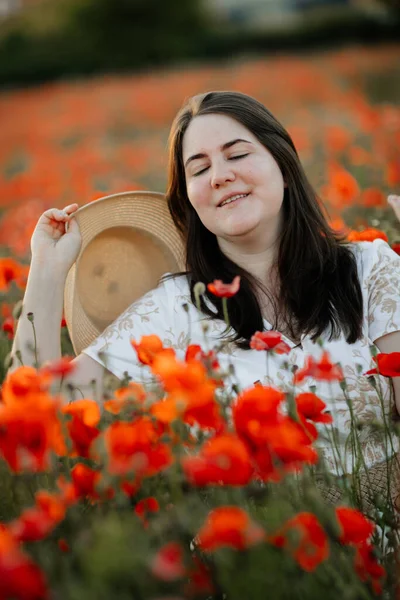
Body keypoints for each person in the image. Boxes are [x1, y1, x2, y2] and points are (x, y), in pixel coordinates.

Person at [8, 91, 400, 483]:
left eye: (237, 154)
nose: (219, 176)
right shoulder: (173, 311)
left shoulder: (369, 270)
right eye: (198, 169)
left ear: (282, 163)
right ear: (189, 199)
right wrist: (46, 269)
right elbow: (45, 404)